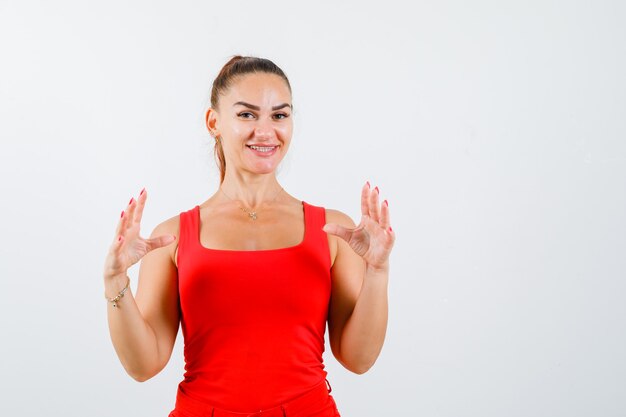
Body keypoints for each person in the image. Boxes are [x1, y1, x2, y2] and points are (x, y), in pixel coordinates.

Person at [102, 56, 395, 417]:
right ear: (214, 122)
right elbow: (143, 365)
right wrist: (116, 280)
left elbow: (359, 359)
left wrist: (377, 271)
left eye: (279, 115)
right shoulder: (171, 237)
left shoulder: (333, 231)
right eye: (246, 115)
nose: (266, 130)